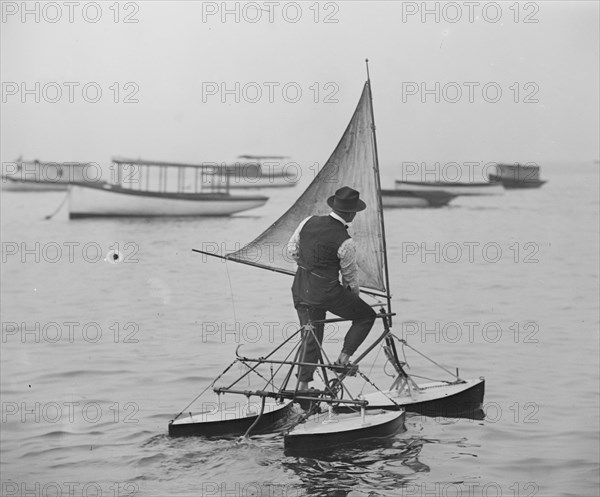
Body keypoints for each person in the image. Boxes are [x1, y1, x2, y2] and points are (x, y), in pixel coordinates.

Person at [287, 186, 376, 391]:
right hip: (325, 292)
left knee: (310, 333)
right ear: (352, 214)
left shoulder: (307, 221)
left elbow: (291, 249)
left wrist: (307, 267)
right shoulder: (345, 241)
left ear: (334, 207)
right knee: (365, 317)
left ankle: (302, 387)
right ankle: (343, 361)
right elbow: (350, 277)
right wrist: (353, 296)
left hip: (300, 287)